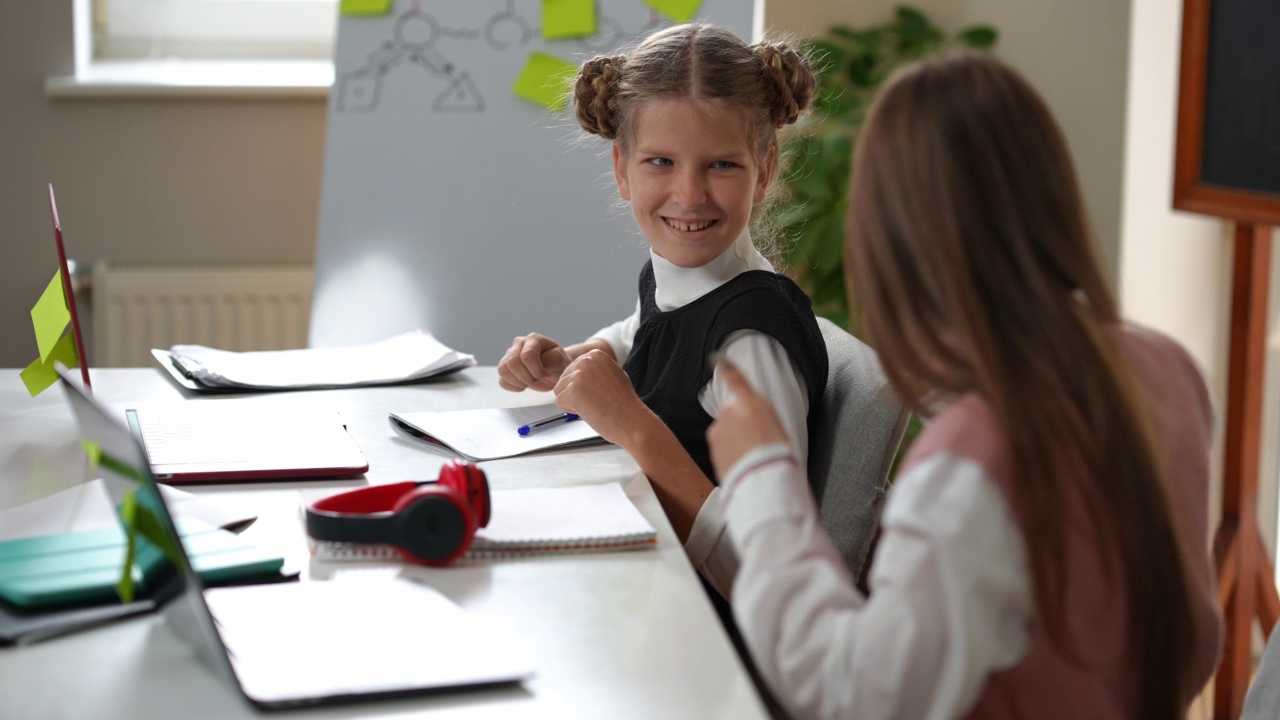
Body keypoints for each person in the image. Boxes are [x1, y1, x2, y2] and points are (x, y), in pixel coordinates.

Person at [707, 51, 1223, 719]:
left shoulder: (971, 465)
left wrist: (761, 473)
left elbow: (846, 692)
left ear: (888, 239)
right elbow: (1187, 639)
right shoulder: (1168, 370)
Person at [496, 23, 828, 599]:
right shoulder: (685, 280)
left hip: (704, 643)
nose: (690, 194)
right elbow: (646, 333)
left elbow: (774, 580)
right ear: (622, 169)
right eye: (660, 162)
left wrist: (631, 424)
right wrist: (577, 359)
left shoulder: (751, 346)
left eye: (721, 165)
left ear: (765, 172)